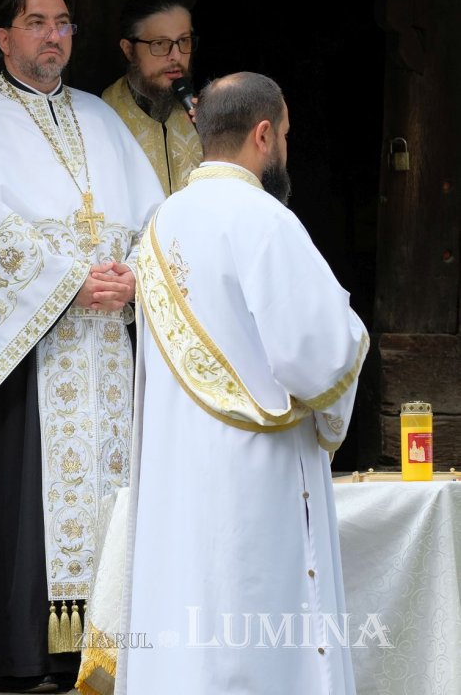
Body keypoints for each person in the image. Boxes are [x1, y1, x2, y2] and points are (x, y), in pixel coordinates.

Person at [0, 0, 164, 692]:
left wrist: (135, 278)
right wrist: (67, 282)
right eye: (36, 22)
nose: (52, 35)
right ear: (4, 38)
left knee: (114, 496)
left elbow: (154, 221)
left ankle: (111, 648)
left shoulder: (100, 116)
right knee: (19, 509)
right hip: (23, 353)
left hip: (106, 348)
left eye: (62, 23)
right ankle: (21, 655)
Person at [120, 72, 368, 694]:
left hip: (179, 467)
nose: (285, 144)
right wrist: (355, 333)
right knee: (258, 615)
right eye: (284, 133)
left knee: (189, 604)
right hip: (259, 472)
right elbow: (317, 355)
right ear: (263, 134)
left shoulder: (159, 223)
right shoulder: (267, 221)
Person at [101, 0, 203, 195]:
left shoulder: (203, 111)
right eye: (160, 44)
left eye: (184, 41)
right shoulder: (103, 117)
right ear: (129, 50)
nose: (176, 56)